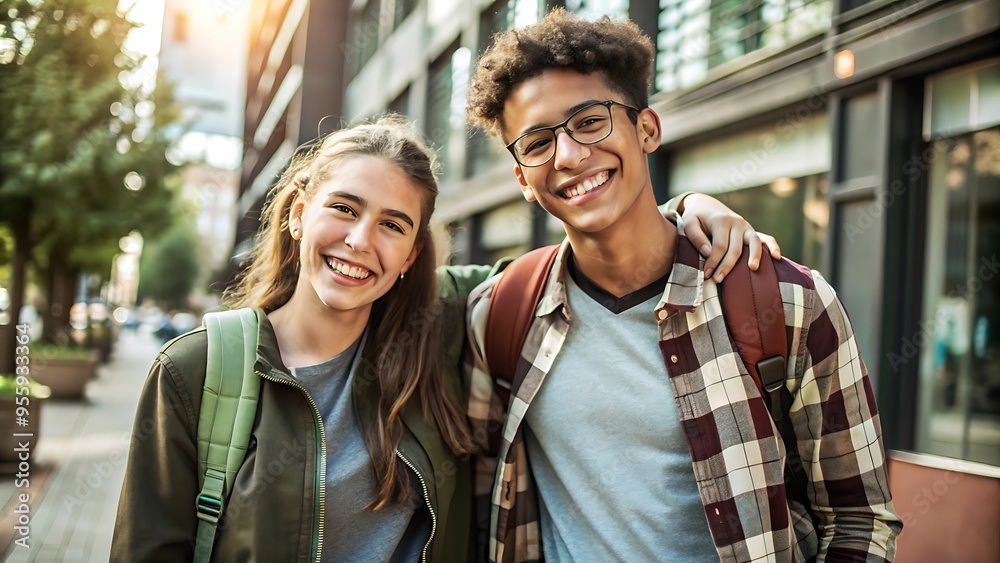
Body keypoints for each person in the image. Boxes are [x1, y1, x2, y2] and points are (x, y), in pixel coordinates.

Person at [110, 116, 770, 562]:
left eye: (393, 225)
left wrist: (684, 212)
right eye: (344, 208)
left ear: (409, 255)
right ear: (297, 213)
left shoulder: (443, 323)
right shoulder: (196, 372)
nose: (361, 241)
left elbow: (589, 256)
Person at [463, 8, 902, 563]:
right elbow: (485, 502)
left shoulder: (789, 303)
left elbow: (859, 520)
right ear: (523, 177)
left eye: (590, 121)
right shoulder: (499, 315)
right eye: (536, 142)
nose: (570, 155)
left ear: (646, 129)